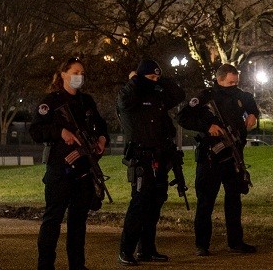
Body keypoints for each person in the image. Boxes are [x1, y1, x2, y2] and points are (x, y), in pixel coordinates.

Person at [29, 57, 109, 270]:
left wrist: (102, 139)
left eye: (82, 74)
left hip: (84, 170)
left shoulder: (87, 101)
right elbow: (35, 131)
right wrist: (60, 132)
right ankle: (45, 266)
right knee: (53, 220)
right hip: (60, 170)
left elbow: (101, 126)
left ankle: (78, 265)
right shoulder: (52, 102)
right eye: (75, 73)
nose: (79, 77)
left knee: (78, 223)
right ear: (63, 74)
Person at [177, 63, 259, 256]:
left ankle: (235, 242)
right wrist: (206, 127)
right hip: (210, 158)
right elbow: (183, 117)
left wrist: (253, 114)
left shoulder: (241, 95)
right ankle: (202, 245)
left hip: (233, 156)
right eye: (230, 82)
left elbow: (251, 104)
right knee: (206, 202)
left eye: (236, 82)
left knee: (234, 201)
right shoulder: (206, 96)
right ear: (219, 79)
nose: (234, 86)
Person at [116, 59, 185, 266]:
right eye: (151, 77)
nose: (154, 81)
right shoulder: (131, 94)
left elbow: (179, 95)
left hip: (160, 156)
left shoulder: (158, 94)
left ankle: (147, 249)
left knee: (155, 203)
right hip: (141, 156)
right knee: (139, 204)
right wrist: (136, 80)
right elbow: (125, 101)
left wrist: (161, 78)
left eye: (157, 78)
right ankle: (126, 250)